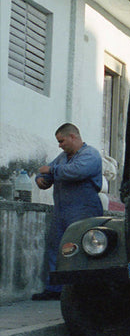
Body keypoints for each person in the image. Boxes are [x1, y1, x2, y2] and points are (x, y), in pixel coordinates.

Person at [32, 123, 104, 300]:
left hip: (84, 210)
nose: (60, 145)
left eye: (61, 141)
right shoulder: (62, 157)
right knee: (56, 248)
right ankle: (54, 289)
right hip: (62, 211)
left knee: (84, 248)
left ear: (73, 136)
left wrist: (51, 171)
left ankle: (85, 292)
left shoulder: (91, 154)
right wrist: (41, 180)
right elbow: (45, 173)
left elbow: (77, 171)